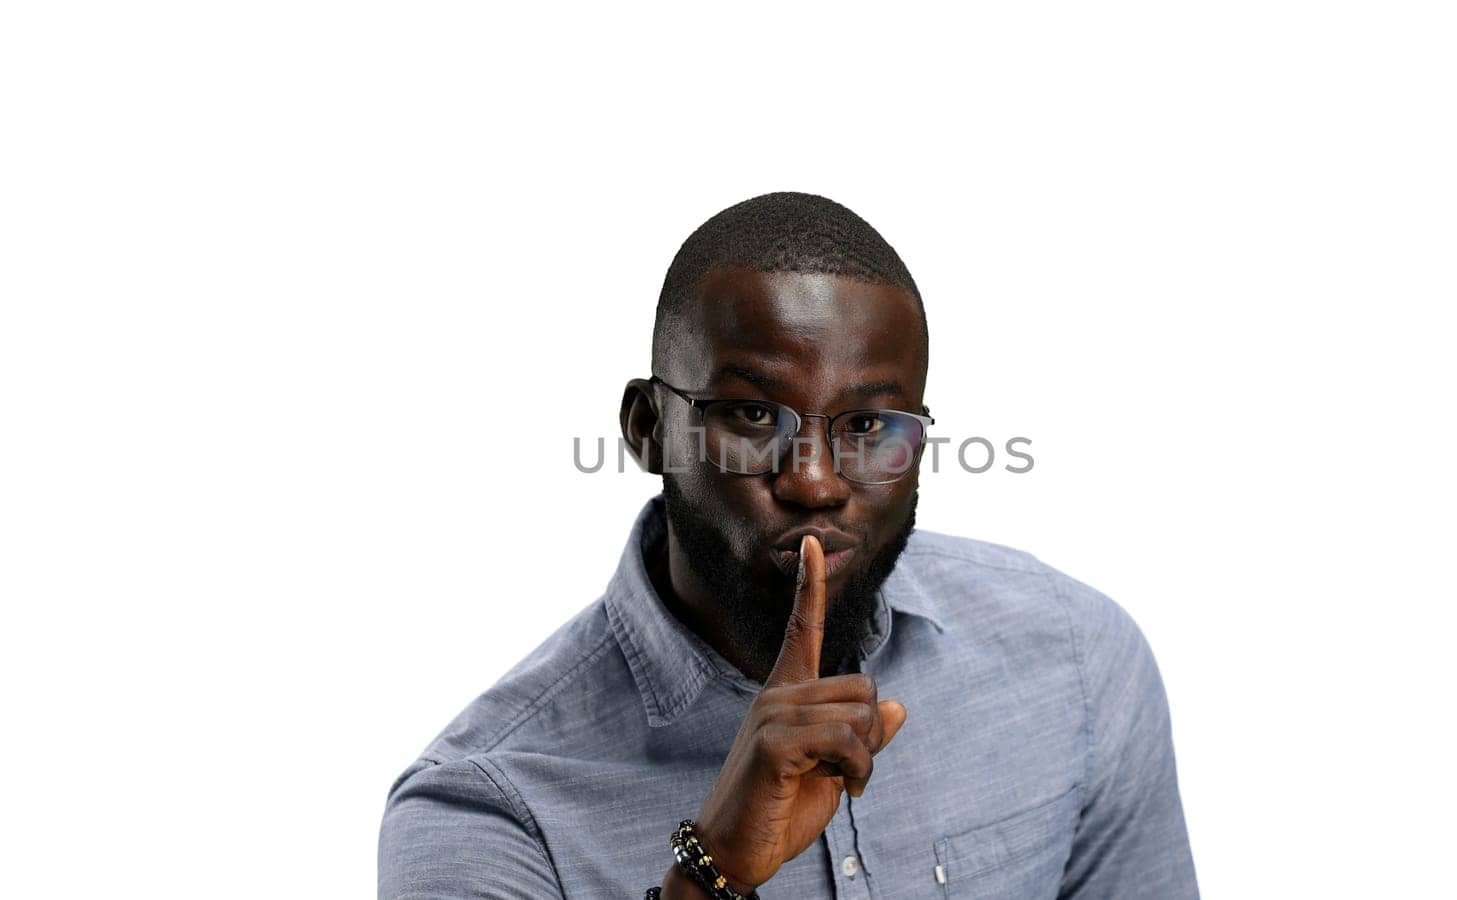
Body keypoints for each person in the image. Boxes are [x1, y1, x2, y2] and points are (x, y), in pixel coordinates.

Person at [378, 192, 1199, 899]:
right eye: (755, 416)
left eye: (870, 425)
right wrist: (711, 874)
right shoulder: (486, 808)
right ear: (648, 430)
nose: (814, 482)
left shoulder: (1076, 660)